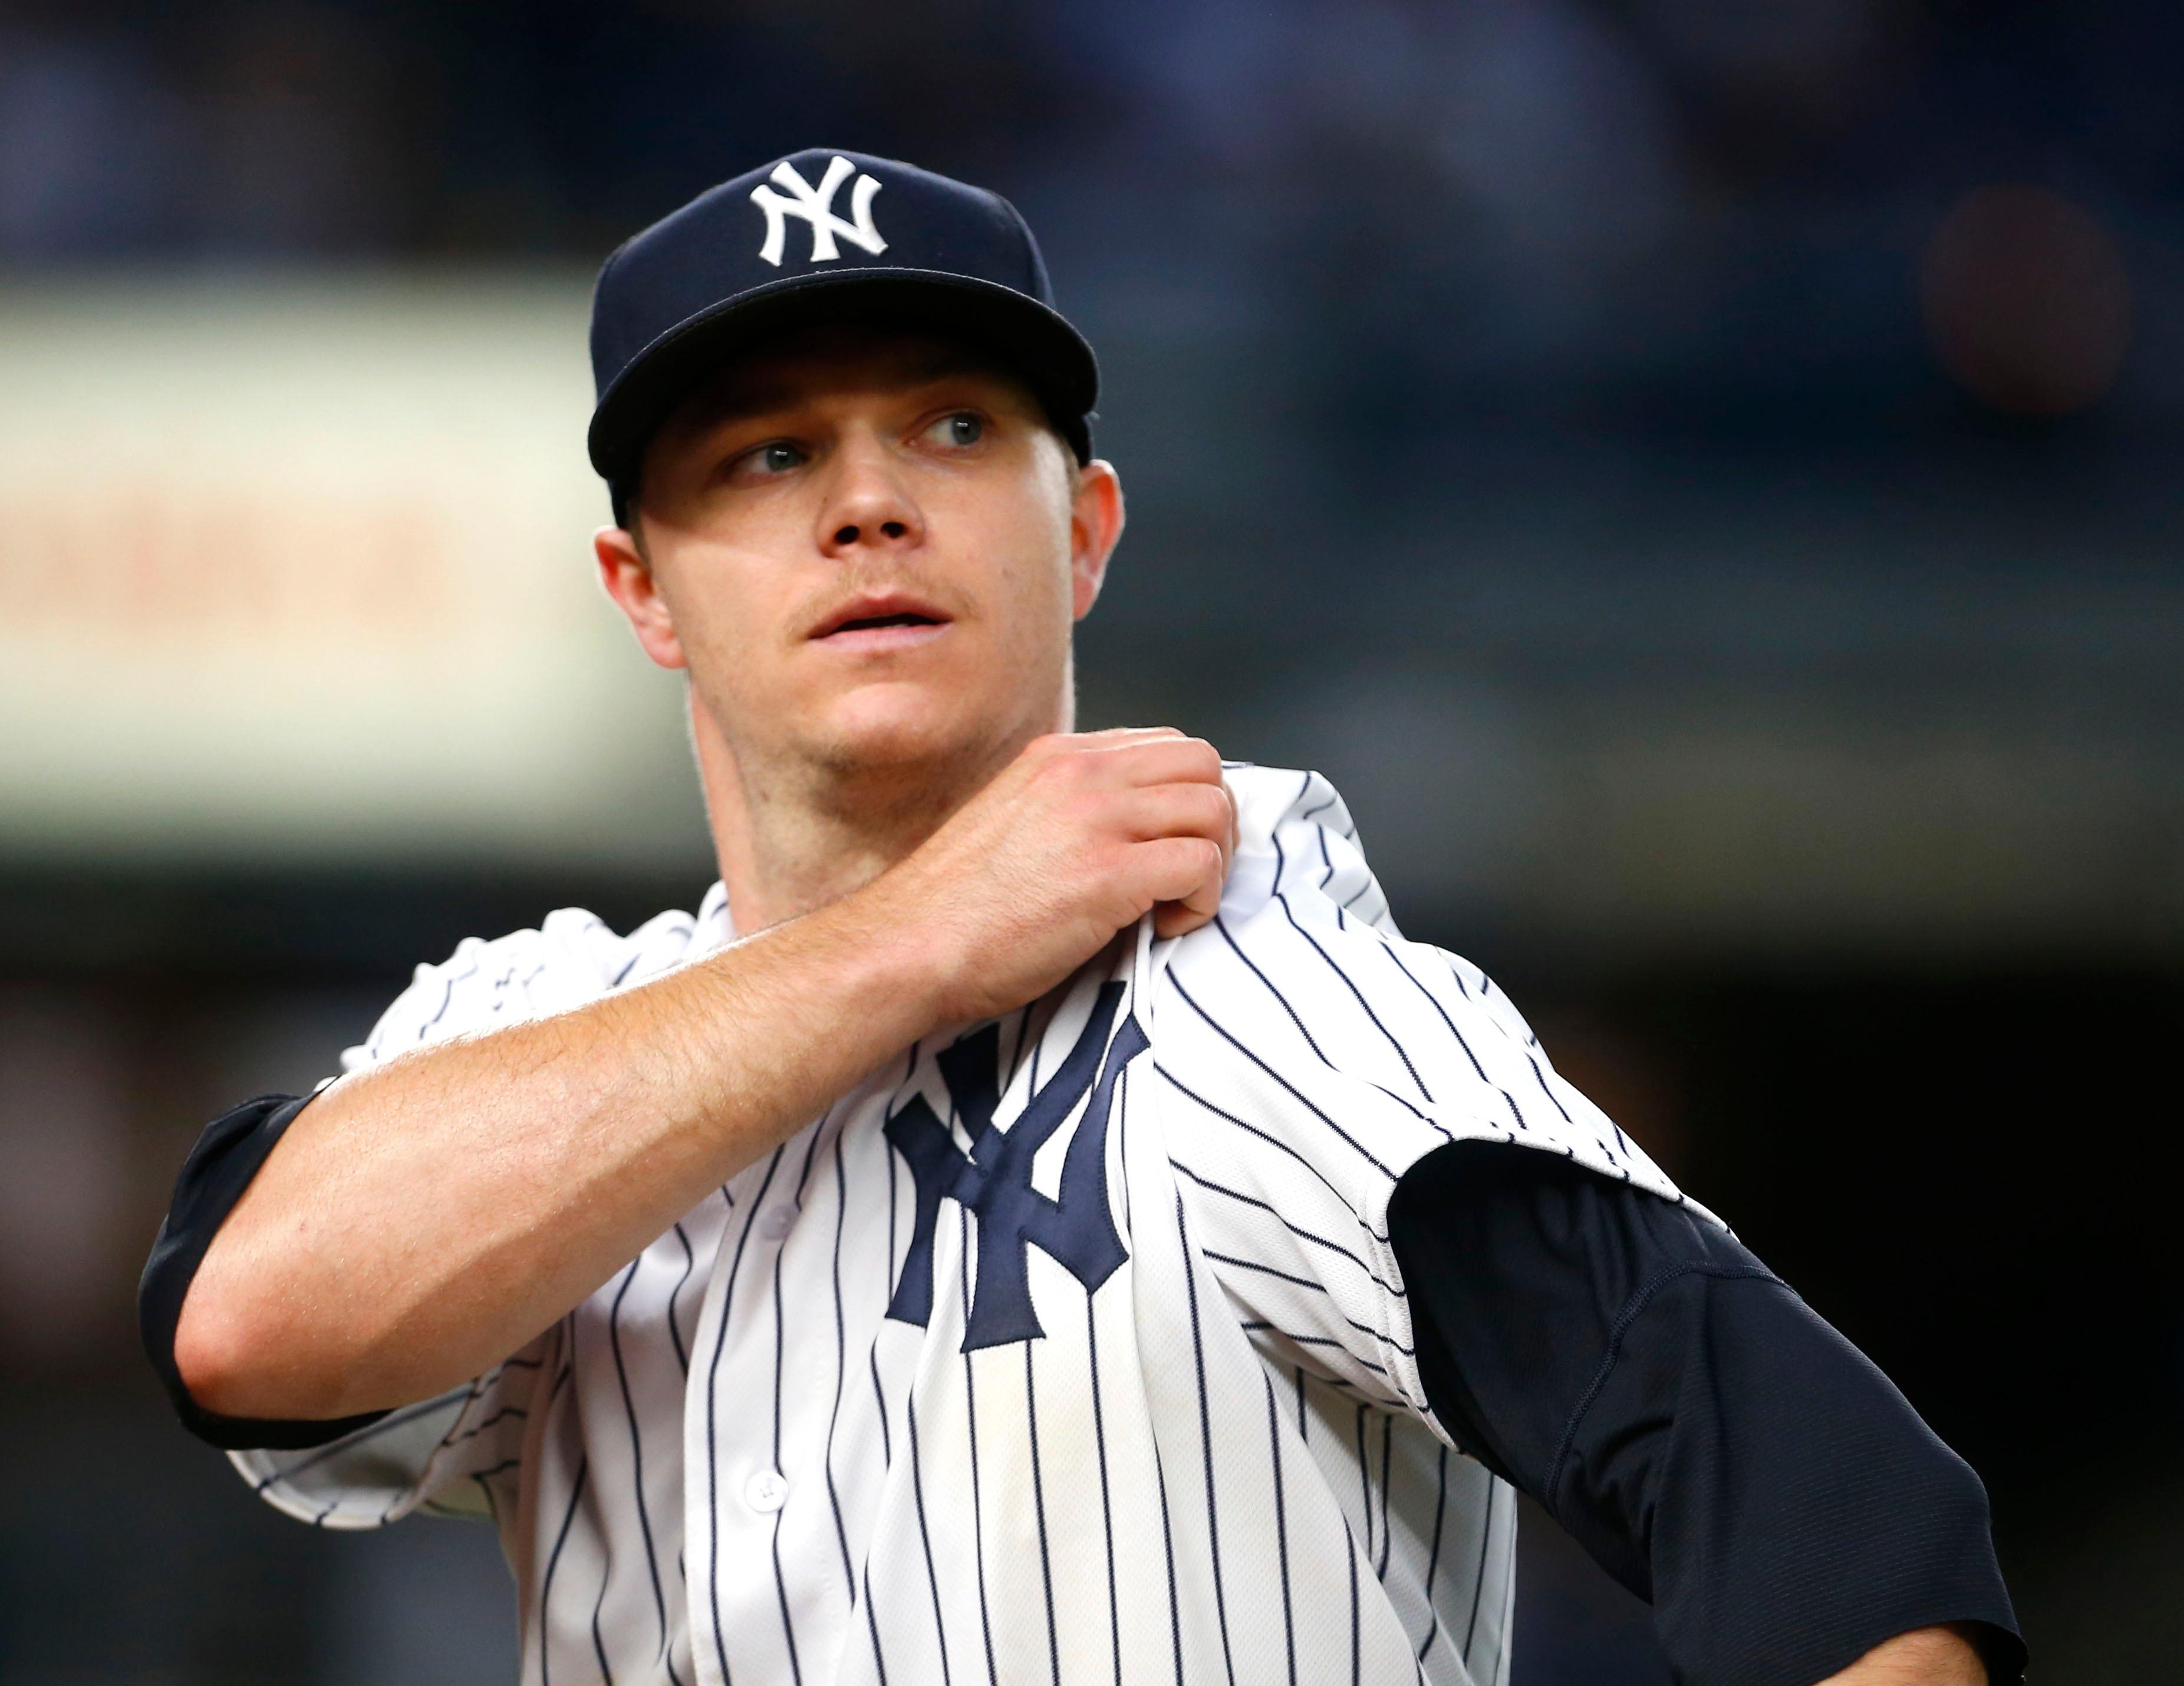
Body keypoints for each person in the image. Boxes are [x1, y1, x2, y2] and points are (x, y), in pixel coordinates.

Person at [143, 149, 2022, 1686]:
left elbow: (1841, 1531)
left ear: (1089, 529)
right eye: (767, 455)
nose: (869, 501)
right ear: (642, 587)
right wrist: (914, 941)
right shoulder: (554, 1015)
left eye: (954, 429)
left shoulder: (1260, 995)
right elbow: (254, 1324)